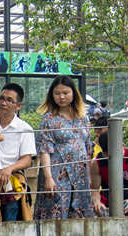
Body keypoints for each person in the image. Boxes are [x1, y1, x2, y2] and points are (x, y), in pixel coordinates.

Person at [33, 75, 94, 220]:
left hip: (80, 176)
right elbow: (44, 151)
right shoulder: (49, 119)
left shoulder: (83, 118)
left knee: (80, 217)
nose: (61, 97)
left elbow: (87, 149)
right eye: (57, 93)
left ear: (73, 93)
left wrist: (89, 176)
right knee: (55, 215)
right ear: (51, 95)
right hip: (57, 175)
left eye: (65, 93)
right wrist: (48, 177)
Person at [0, 83, 36, 222]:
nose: (3, 103)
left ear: (18, 106)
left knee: (10, 222)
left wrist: (10, 169)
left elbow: (27, 159)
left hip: (11, 181)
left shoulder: (25, 128)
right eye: (1, 98)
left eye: (9, 100)